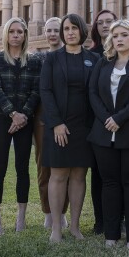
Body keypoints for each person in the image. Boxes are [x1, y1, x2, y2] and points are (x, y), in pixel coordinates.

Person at [88, 20, 129, 249]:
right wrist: (107, 118)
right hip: (103, 134)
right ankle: (111, 235)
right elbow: (93, 93)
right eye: (115, 35)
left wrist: (119, 118)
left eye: (124, 35)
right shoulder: (102, 64)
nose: (118, 39)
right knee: (109, 184)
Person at [40, 14, 100, 243]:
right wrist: (56, 123)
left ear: (82, 31)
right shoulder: (53, 59)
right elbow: (45, 91)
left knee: (78, 175)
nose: (70, 32)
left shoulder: (93, 59)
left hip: (84, 126)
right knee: (58, 175)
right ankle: (56, 228)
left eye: (74, 28)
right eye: (66, 28)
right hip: (59, 126)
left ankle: (74, 227)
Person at [0, 17, 41, 235]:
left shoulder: (35, 61)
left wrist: (23, 116)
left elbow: (36, 91)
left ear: (25, 35)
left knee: (22, 168)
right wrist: (12, 113)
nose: (16, 35)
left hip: (25, 121)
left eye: (20, 32)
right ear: (6, 35)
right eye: (12, 32)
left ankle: (21, 217)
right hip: (3, 119)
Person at [33, 17, 69, 229]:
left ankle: (62, 211)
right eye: (49, 31)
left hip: (67, 116)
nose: (53, 34)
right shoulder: (38, 59)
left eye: (57, 30)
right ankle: (48, 211)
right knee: (43, 164)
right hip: (42, 117)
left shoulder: (70, 56)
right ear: (45, 34)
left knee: (65, 165)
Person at [88, 9, 118, 234]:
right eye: (101, 23)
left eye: (110, 22)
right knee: (99, 174)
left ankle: (122, 218)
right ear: (95, 27)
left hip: (122, 122)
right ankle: (100, 221)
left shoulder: (125, 53)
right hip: (97, 122)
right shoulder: (91, 56)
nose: (105, 26)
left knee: (122, 173)